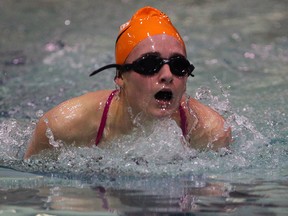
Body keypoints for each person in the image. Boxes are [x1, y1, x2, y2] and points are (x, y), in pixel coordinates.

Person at [24, 6, 231, 159]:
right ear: (120, 77)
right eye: (150, 64)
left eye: (178, 65)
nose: (167, 74)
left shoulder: (210, 132)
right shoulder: (62, 127)